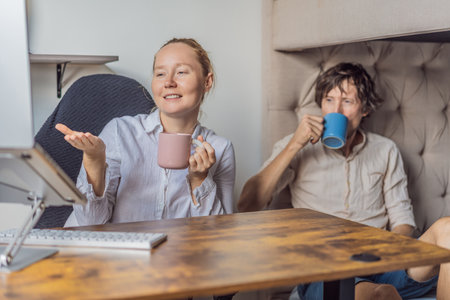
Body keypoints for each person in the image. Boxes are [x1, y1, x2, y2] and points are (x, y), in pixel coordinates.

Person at [238, 62, 450, 300]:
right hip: (325, 269)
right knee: (380, 295)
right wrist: (295, 145)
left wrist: (384, 252)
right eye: (329, 100)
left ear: (365, 109)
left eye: (347, 101)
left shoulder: (385, 150)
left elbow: (403, 223)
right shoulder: (296, 146)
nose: (336, 110)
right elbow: (247, 205)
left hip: (384, 264)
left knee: (448, 229)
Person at [57, 38, 235, 227]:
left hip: (176, 254)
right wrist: (94, 161)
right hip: (117, 251)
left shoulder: (220, 149)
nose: (168, 82)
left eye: (181, 72)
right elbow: (91, 223)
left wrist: (200, 180)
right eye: (160, 74)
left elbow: (218, 232)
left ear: (207, 82)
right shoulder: (120, 132)